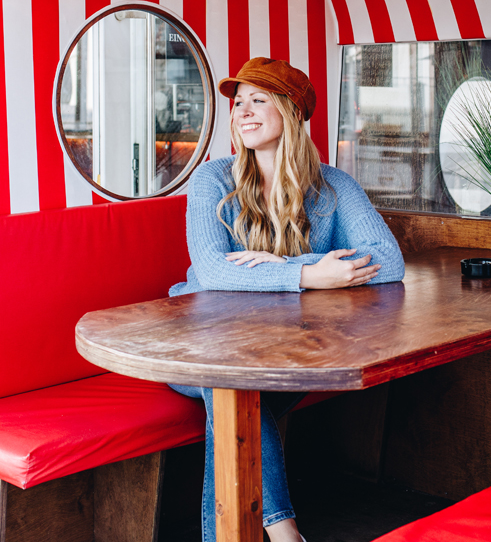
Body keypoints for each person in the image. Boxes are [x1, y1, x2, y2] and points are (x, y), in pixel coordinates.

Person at [168, 57, 405, 542]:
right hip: (197, 345)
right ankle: (285, 534)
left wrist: (284, 267)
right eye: (238, 103)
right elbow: (212, 270)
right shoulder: (213, 180)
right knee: (228, 383)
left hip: (289, 350)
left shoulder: (333, 186)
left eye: (259, 100)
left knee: (237, 394)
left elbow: (390, 260)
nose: (243, 112)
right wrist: (307, 273)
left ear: (294, 112)